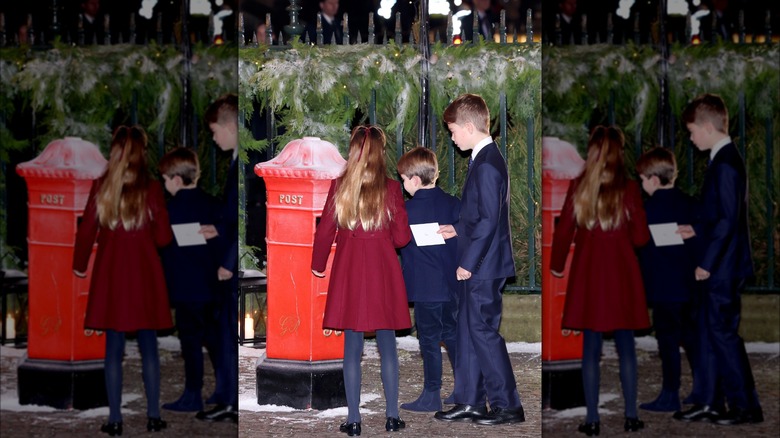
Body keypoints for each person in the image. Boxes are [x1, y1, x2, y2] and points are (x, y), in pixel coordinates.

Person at [550, 125, 650, 436]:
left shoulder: (579, 185)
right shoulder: (629, 189)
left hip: (589, 275)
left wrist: (556, 265)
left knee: (590, 348)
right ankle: (631, 416)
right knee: (626, 348)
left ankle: (592, 419)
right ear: (620, 152)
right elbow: (641, 237)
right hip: (622, 276)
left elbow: (565, 230)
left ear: (592, 152)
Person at [311, 125, 411, 436]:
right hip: (382, 271)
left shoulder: (339, 186)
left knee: (351, 347)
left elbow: (325, 232)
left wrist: (317, 265)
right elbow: (402, 237)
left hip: (349, 270)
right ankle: (392, 417)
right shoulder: (392, 189)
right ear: (381, 153)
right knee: (387, 345)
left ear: (353, 152)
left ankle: (353, 420)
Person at [72, 125, 172, 436]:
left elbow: (87, 230)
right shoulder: (152, 189)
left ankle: (115, 419)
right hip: (144, 275)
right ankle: (153, 416)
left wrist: (79, 265)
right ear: (142, 152)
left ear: (114, 152)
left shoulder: (101, 186)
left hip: (111, 275)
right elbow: (164, 236)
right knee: (149, 347)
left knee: (113, 348)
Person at [435, 93, 525, 426]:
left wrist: (468, 262)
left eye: (453, 130)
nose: (452, 136)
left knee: (483, 333)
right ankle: (471, 401)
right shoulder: (484, 158)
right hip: (483, 263)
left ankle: (508, 405)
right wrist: (457, 229)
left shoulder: (486, 162)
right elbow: (481, 217)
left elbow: (489, 220)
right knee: (470, 332)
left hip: (483, 267)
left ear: (470, 126)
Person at [675, 93, 763, 425]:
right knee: (711, 335)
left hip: (723, 268)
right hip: (723, 265)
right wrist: (695, 228)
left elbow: (728, 221)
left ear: (708, 126)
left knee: (723, 337)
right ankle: (712, 402)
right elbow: (718, 216)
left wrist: (706, 262)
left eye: (692, 131)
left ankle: (745, 407)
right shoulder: (723, 158)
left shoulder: (725, 162)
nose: (691, 137)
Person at [396, 147, 460, 413]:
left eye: (403, 179)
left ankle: (432, 393)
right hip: (452, 284)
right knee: (453, 335)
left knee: (429, 341)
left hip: (425, 288)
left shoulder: (406, 211)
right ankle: (465, 387)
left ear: (414, 180)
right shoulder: (454, 204)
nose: (402, 184)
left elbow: (398, 241)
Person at [158, 147, 221, 413]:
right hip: (210, 285)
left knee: (191, 344)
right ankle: (223, 389)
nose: (163, 184)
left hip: (185, 289)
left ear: (175, 179)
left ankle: (192, 394)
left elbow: (163, 245)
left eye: (164, 179)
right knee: (215, 341)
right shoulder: (211, 204)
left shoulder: (170, 209)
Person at [635, 147, 698, 413]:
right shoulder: (689, 204)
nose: (641, 183)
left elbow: (642, 245)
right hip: (690, 285)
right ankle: (701, 389)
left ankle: (670, 393)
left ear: (652, 179)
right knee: (693, 339)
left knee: (668, 343)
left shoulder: (648, 209)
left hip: (663, 289)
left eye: (641, 179)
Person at [197, 93, 239, 423]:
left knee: (225, 335)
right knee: (222, 334)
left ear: (228, 126)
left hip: (230, 265)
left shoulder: (239, 163)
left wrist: (227, 260)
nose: (213, 138)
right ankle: (227, 398)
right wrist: (217, 228)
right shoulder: (237, 161)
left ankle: (230, 401)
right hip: (227, 254)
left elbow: (240, 218)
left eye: (215, 131)